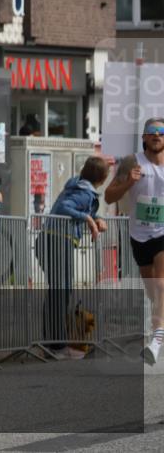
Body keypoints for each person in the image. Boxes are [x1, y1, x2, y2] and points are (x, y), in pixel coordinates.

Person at [105, 117, 164, 366]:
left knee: (161, 284)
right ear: (144, 137)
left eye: (161, 132)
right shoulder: (132, 162)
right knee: (153, 292)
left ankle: (156, 341)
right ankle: (158, 332)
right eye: (152, 132)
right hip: (139, 234)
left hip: (162, 232)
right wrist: (129, 181)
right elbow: (108, 196)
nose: (157, 135)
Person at [39, 155, 110, 360]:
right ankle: (56, 345)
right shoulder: (84, 192)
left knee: (60, 292)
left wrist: (96, 218)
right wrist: (88, 218)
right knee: (60, 292)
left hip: (56, 240)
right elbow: (65, 208)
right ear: (103, 177)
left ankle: (53, 343)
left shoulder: (78, 186)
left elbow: (74, 207)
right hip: (57, 240)